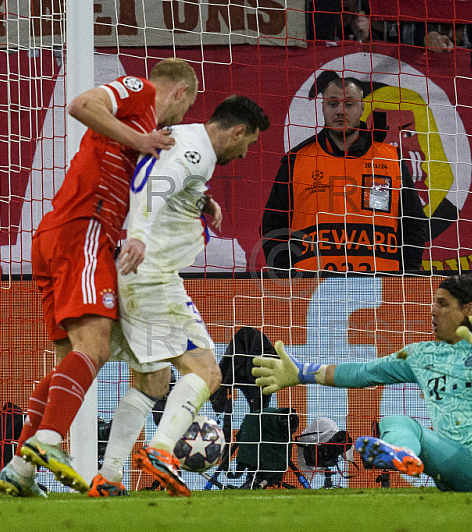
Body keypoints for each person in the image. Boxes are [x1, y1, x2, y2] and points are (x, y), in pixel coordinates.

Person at [0, 58, 199, 498]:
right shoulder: (142, 92)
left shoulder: (147, 143)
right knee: (96, 346)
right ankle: (48, 443)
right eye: (180, 114)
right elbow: (82, 104)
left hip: (62, 236)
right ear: (179, 92)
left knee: (74, 358)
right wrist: (140, 138)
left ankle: (19, 469)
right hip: (83, 228)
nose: (175, 125)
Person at [252, 274, 472, 493]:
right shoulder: (420, 355)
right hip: (464, 463)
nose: (432, 310)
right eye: (434, 302)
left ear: (468, 309)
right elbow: (364, 372)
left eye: (442, 304)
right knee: (396, 421)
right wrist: (301, 373)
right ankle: (402, 454)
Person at [86, 95, 270, 498]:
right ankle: (162, 451)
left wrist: (199, 199)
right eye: (249, 143)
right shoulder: (193, 151)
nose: (244, 153)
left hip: (137, 277)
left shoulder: (185, 138)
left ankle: (109, 476)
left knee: (152, 383)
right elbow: (152, 188)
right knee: (206, 373)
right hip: (153, 278)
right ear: (238, 130)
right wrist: (136, 236)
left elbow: (161, 178)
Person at [261, 77, 427, 273]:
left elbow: (414, 225)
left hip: (381, 287)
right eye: (333, 104)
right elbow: (273, 226)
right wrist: (286, 277)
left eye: (349, 104)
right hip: (311, 290)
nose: (340, 111)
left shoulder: (391, 159)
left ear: (362, 108)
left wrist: (407, 277)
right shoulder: (296, 160)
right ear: (322, 107)